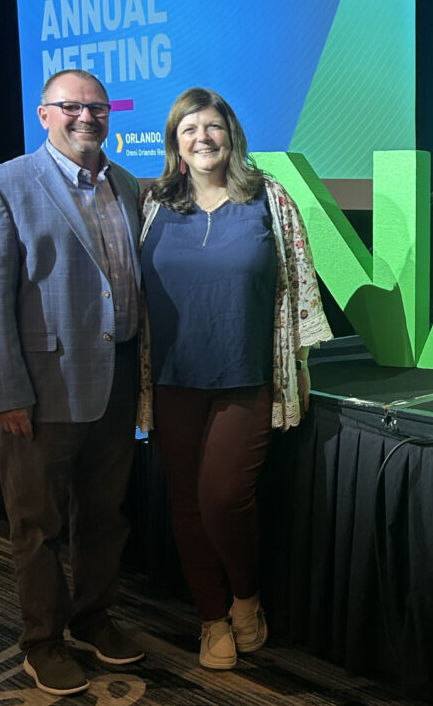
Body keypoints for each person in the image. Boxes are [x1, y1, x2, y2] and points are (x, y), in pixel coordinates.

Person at [138, 87, 332, 670]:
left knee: (223, 497)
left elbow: (298, 282)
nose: (203, 137)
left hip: (246, 375)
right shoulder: (152, 204)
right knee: (185, 502)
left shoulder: (269, 199)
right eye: (189, 128)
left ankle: (246, 598)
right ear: (175, 143)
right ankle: (210, 618)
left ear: (232, 134)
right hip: (172, 380)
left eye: (213, 126)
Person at [0, 69, 145, 695]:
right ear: (43, 114)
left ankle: (93, 618)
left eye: (97, 107)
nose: (87, 117)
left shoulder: (126, 183)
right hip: (40, 394)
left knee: (104, 517)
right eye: (71, 106)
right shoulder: (3, 185)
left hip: (116, 382)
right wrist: (6, 394)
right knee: (37, 525)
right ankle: (41, 641)